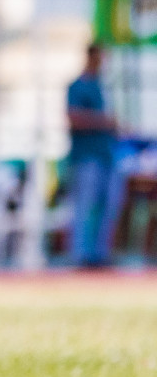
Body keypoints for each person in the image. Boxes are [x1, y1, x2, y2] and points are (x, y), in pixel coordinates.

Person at [66, 44, 122, 268]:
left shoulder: (103, 87)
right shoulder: (77, 86)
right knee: (84, 206)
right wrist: (103, 122)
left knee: (108, 206)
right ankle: (80, 255)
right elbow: (73, 118)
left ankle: (100, 254)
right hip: (85, 156)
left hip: (106, 155)